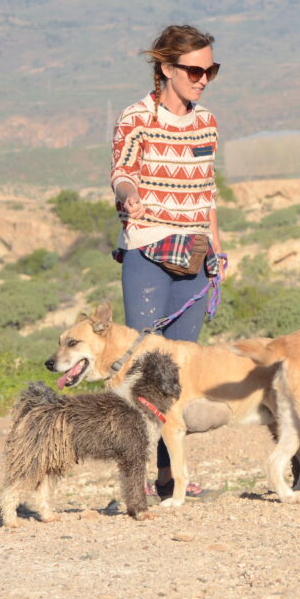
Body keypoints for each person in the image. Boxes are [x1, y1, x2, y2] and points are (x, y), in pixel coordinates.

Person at [110, 24, 226, 501]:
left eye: (211, 69)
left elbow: (207, 193)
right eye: (195, 70)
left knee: (176, 378)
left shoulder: (207, 122)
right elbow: (121, 173)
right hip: (148, 249)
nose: (203, 79)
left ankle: (170, 478)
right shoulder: (136, 116)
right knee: (143, 372)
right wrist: (130, 196)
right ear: (167, 68)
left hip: (196, 254)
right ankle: (132, 480)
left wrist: (217, 252)